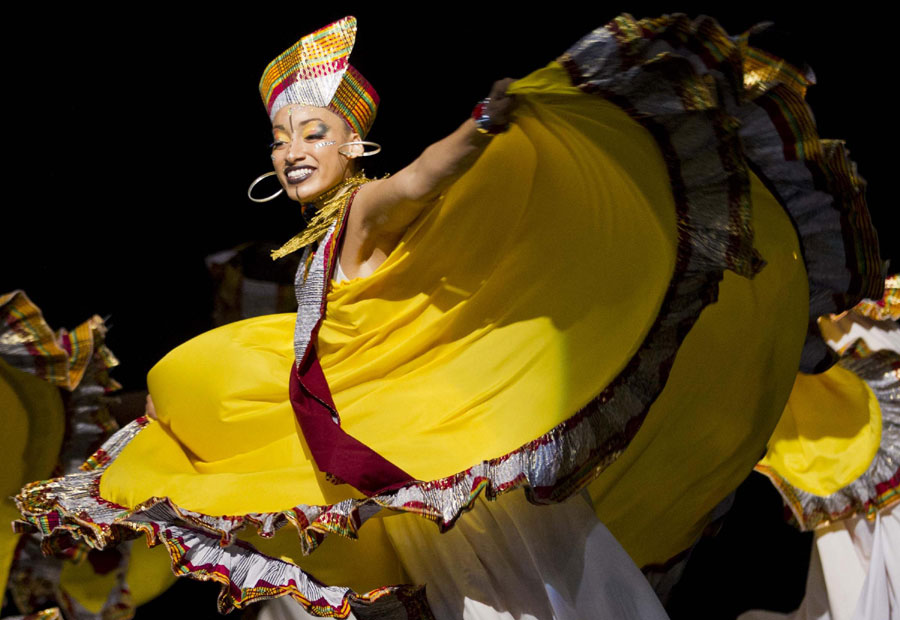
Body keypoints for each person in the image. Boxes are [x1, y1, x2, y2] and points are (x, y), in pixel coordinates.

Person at [15, 14, 884, 619]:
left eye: (313, 135)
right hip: (411, 476)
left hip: (445, 464)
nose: (292, 155)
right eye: (282, 143)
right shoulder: (317, 242)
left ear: (354, 145)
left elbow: (422, 175)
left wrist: (482, 126)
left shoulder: (369, 208)